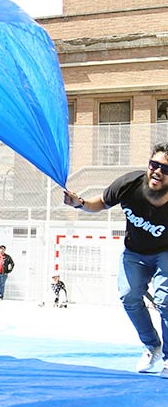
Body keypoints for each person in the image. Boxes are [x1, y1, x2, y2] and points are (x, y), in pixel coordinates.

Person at [63, 143, 168, 374]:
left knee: (165, 300)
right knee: (129, 297)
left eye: (165, 169)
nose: (158, 171)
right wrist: (79, 203)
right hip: (135, 252)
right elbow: (99, 202)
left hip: (165, 252)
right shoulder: (129, 184)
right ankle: (152, 346)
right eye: (154, 165)